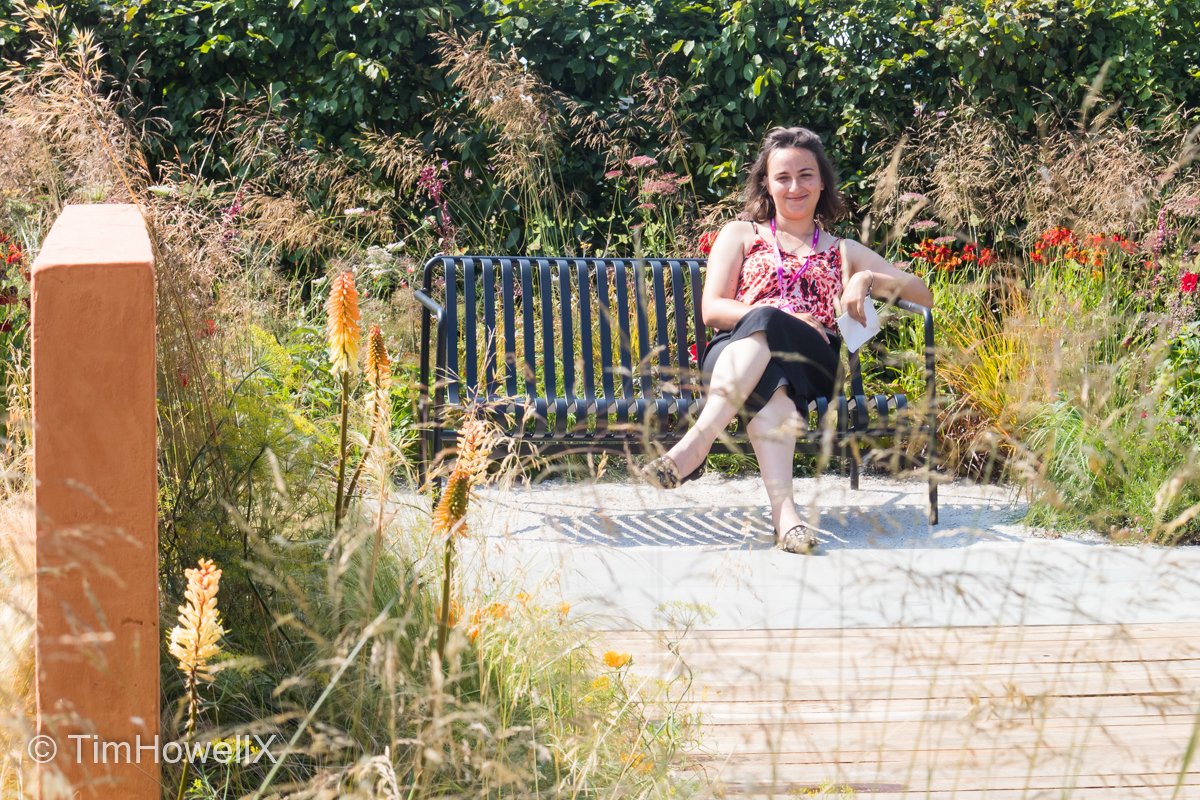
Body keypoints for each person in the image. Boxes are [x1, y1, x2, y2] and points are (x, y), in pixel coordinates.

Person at [640, 126, 934, 554]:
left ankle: (696, 445)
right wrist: (776, 315)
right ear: (766, 183)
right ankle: (787, 521)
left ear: (822, 182)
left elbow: (922, 294)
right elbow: (714, 310)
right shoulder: (741, 234)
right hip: (735, 355)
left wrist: (866, 279)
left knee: (770, 324)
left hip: (812, 360)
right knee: (771, 381)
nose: (795, 186)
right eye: (783, 177)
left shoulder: (843, 250)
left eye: (806, 175)